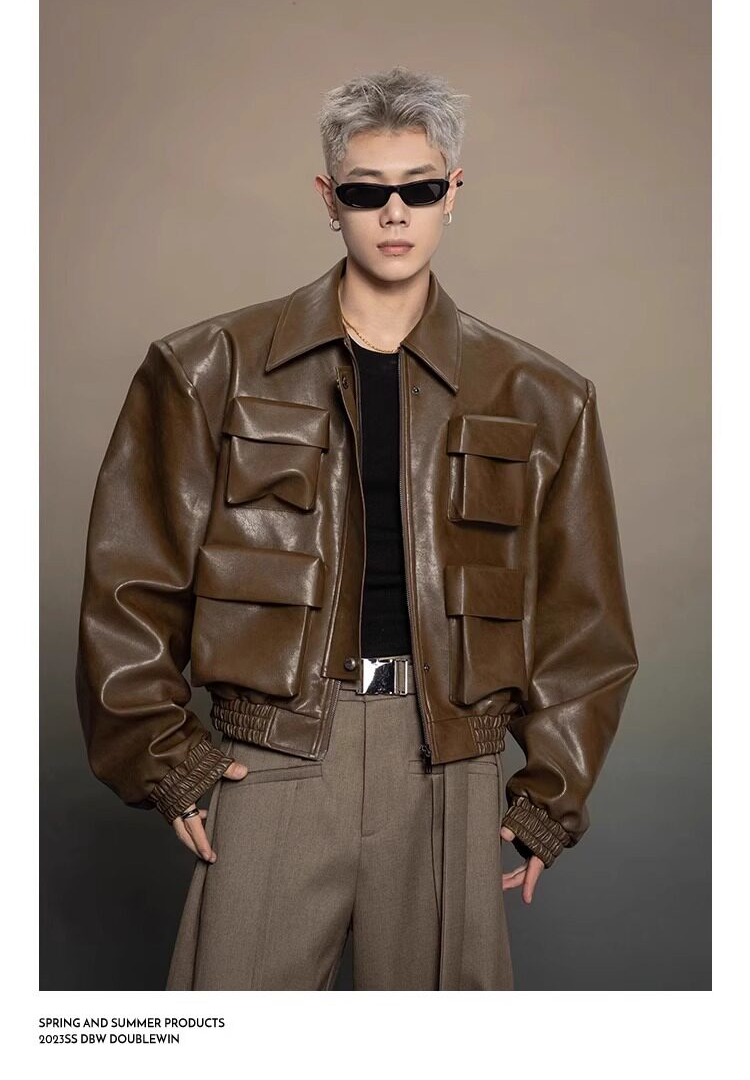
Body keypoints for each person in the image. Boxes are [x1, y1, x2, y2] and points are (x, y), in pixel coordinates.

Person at [75, 64, 638, 990]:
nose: (394, 213)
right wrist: (163, 757)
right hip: (275, 754)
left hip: (450, 765)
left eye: (420, 188)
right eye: (367, 192)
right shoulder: (204, 370)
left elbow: (586, 625)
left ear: (454, 193)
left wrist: (551, 797)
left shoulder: (541, 397)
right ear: (327, 199)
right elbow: (129, 583)